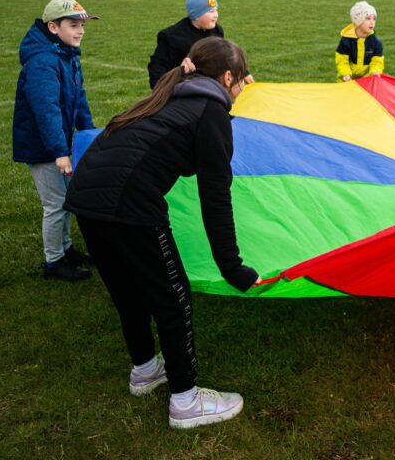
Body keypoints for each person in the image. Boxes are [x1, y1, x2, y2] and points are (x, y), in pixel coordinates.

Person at [64, 38, 261, 430]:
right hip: (128, 203)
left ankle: (144, 370)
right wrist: (232, 267)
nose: (242, 91)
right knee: (173, 298)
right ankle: (185, 401)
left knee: (128, 290)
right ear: (227, 78)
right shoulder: (210, 110)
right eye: (242, 82)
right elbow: (215, 196)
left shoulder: (169, 95)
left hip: (87, 196)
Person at [12, 0, 99, 282]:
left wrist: (87, 135)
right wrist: (59, 151)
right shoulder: (42, 63)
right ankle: (54, 262)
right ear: (53, 27)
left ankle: (66, 249)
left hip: (60, 144)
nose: (81, 31)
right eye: (73, 25)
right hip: (43, 147)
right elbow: (46, 109)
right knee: (56, 204)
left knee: (66, 200)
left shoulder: (68, 55)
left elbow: (79, 100)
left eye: (82, 25)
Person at [147, 0, 254, 88]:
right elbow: (157, 68)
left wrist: (242, 72)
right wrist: (165, 89)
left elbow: (224, 56)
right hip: (182, 88)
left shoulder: (217, 31)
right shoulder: (172, 37)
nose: (216, 15)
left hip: (209, 86)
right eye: (211, 12)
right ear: (196, 15)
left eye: (216, 10)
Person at [335, 0, 384, 81]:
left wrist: (375, 71)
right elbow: (342, 61)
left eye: (374, 19)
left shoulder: (376, 42)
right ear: (358, 21)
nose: (372, 22)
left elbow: (377, 61)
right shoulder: (346, 41)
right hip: (347, 81)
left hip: (368, 81)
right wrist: (345, 73)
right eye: (368, 18)